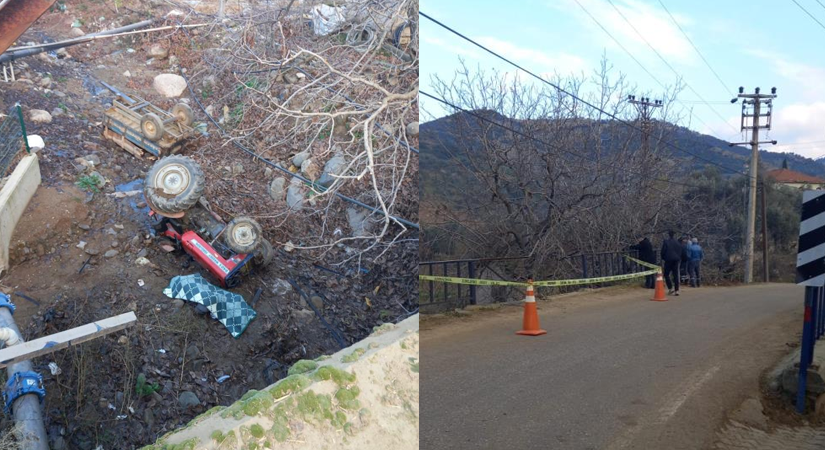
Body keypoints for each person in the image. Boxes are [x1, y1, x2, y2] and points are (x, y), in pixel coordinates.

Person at [661, 230, 682, 296]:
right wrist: (678, 258)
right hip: (676, 260)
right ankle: (677, 290)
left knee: (666, 274)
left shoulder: (666, 242)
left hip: (668, 260)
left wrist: (664, 258)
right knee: (675, 275)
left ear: (668, 235)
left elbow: (663, 251)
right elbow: (680, 251)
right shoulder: (678, 243)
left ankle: (670, 288)